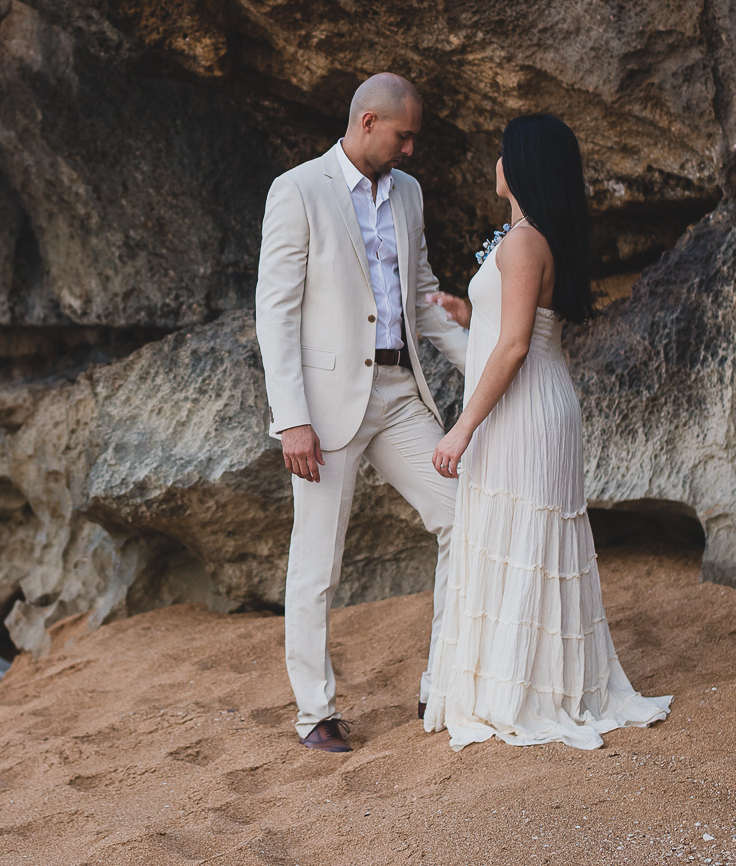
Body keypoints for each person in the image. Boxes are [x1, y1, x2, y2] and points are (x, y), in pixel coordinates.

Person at [421, 113, 670, 750]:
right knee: (518, 534)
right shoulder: (525, 237)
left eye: (504, 151)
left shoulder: (525, 241)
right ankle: (524, 681)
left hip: (524, 407)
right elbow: (507, 322)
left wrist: (459, 431)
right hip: (533, 400)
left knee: (525, 534)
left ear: (522, 165)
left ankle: (525, 691)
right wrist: (463, 309)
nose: (496, 161)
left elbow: (512, 348)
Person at [255, 72, 470, 753]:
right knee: (318, 563)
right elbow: (276, 313)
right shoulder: (297, 191)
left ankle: (445, 681)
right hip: (322, 407)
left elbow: (425, 294)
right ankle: (315, 713)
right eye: (405, 135)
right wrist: (292, 418)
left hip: (401, 393)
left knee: (464, 515)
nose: (411, 150)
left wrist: (486, 364)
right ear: (369, 122)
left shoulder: (409, 194)